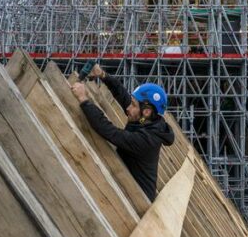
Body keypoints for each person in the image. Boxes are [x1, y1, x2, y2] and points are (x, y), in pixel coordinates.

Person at [70, 65, 174, 201]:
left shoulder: (147, 140)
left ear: (146, 111)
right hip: (129, 190)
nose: (128, 108)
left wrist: (84, 100)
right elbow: (122, 95)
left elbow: (110, 131)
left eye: (134, 105)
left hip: (139, 202)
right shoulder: (146, 120)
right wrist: (103, 75)